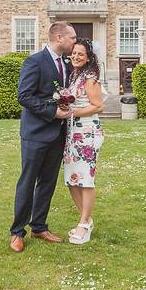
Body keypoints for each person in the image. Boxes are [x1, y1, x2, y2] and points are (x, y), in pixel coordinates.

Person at [9, 21, 77, 253]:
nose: (74, 42)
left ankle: (39, 225)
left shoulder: (67, 65)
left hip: (58, 134)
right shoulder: (34, 61)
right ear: (59, 38)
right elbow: (24, 96)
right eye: (72, 38)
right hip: (36, 134)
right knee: (27, 182)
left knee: (47, 183)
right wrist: (53, 112)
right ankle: (17, 232)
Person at [62, 38, 106, 245]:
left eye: (81, 54)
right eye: (74, 53)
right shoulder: (74, 75)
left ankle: (83, 224)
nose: (76, 57)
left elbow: (98, 106)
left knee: (85, 179)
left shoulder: (90, 78)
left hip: (87, 132)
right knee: (71, 179)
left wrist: (72, 112)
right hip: (72, 133)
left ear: (88, 57)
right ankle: (86, 220)